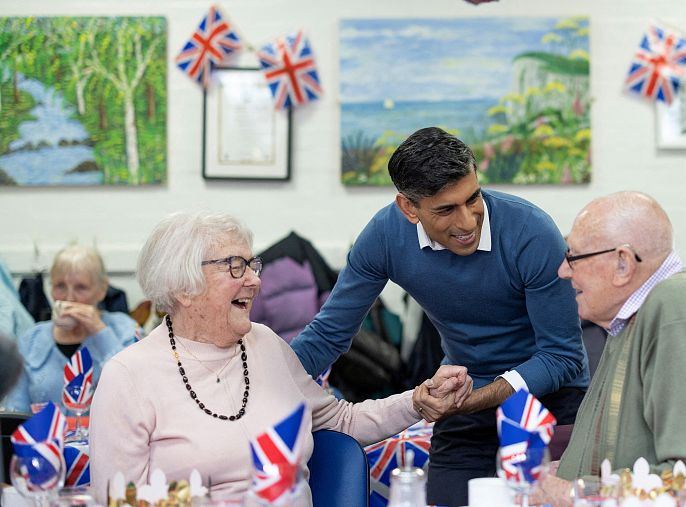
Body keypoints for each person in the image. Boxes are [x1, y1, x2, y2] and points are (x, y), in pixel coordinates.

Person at [290, 127, 589, 506]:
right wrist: (262, 379)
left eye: (473, 198)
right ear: (408, 208)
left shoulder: (531, 232)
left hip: (551, 399)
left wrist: (479, 396)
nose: (466, 221)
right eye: (446, 209)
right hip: (464, 401)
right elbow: (329, 334)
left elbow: (562, 357)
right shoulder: (384, 236)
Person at [89, 211, 472, 504]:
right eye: (235, 266)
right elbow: (118, 499)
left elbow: (340, 421)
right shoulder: (129, 376)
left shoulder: (265, 344)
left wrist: (418, 400)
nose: (256, 280)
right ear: (183, 287)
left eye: (252, 265)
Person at [532, 192, 686, 505]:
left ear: (623, 263)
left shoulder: (678, 309)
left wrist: (577, 492)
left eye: (574, 257)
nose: (564, 272)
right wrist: (575, 468)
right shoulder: (634, 316)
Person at [1, 245, 139, 413]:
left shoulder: (125, 331)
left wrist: (99, 330)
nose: (69, 297)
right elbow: (16, 412)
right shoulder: (31, 340)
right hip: (42, 438)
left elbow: (137, 391)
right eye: (60, 286)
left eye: (81, 287)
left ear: (102, 290)